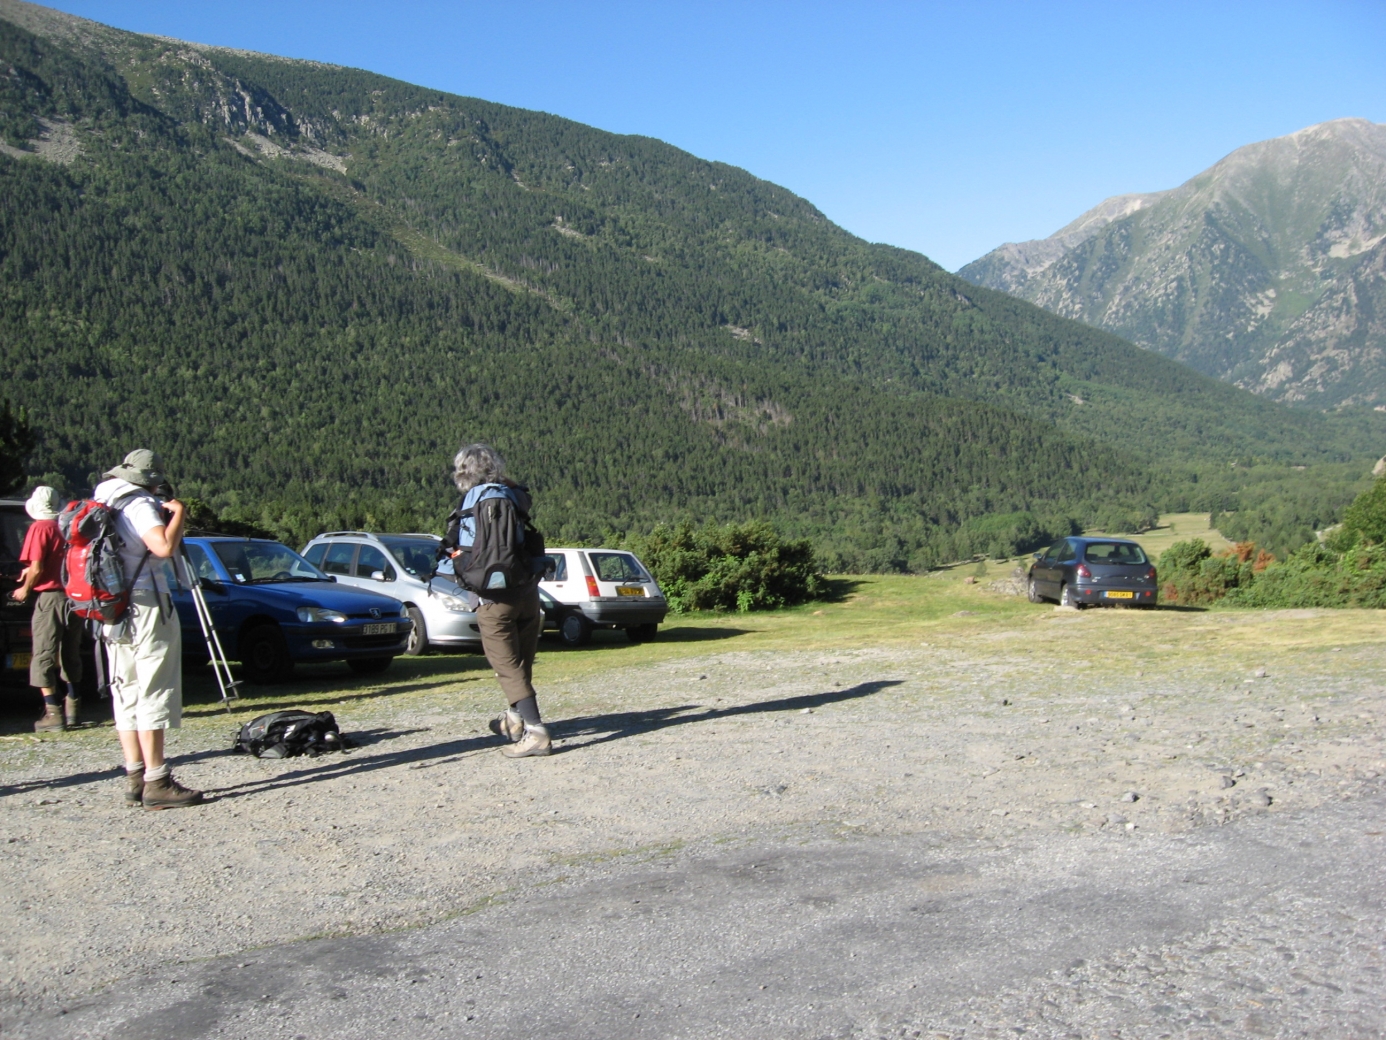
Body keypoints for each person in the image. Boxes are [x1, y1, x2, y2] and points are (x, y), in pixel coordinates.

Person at [93, 449, 203, 809]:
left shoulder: (103, 498)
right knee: (154, 685)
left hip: (111, 604)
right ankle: (158, 780)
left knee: (124, 687)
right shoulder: (139, 504)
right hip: (145, 602)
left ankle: (134, 776)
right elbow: (163, 547)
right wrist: (179, 513)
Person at [443, 443, 550, 757]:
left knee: (507, 666)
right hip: (527, 592)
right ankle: (514, 720)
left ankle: (536, 732)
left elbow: (457, 548)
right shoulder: (513, 496)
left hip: (492, 599)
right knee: (521, 662)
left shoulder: (469, 502)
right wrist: (504, 480)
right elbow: (526, 497)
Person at [11, 486, 83, 732]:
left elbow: (38, 567)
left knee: (44, 652)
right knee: (70, 652)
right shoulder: (67, 525)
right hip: (75, 597)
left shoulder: (40, 528)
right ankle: (73, 707)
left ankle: (53, 712)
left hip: (51, 597)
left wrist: (25, 589)